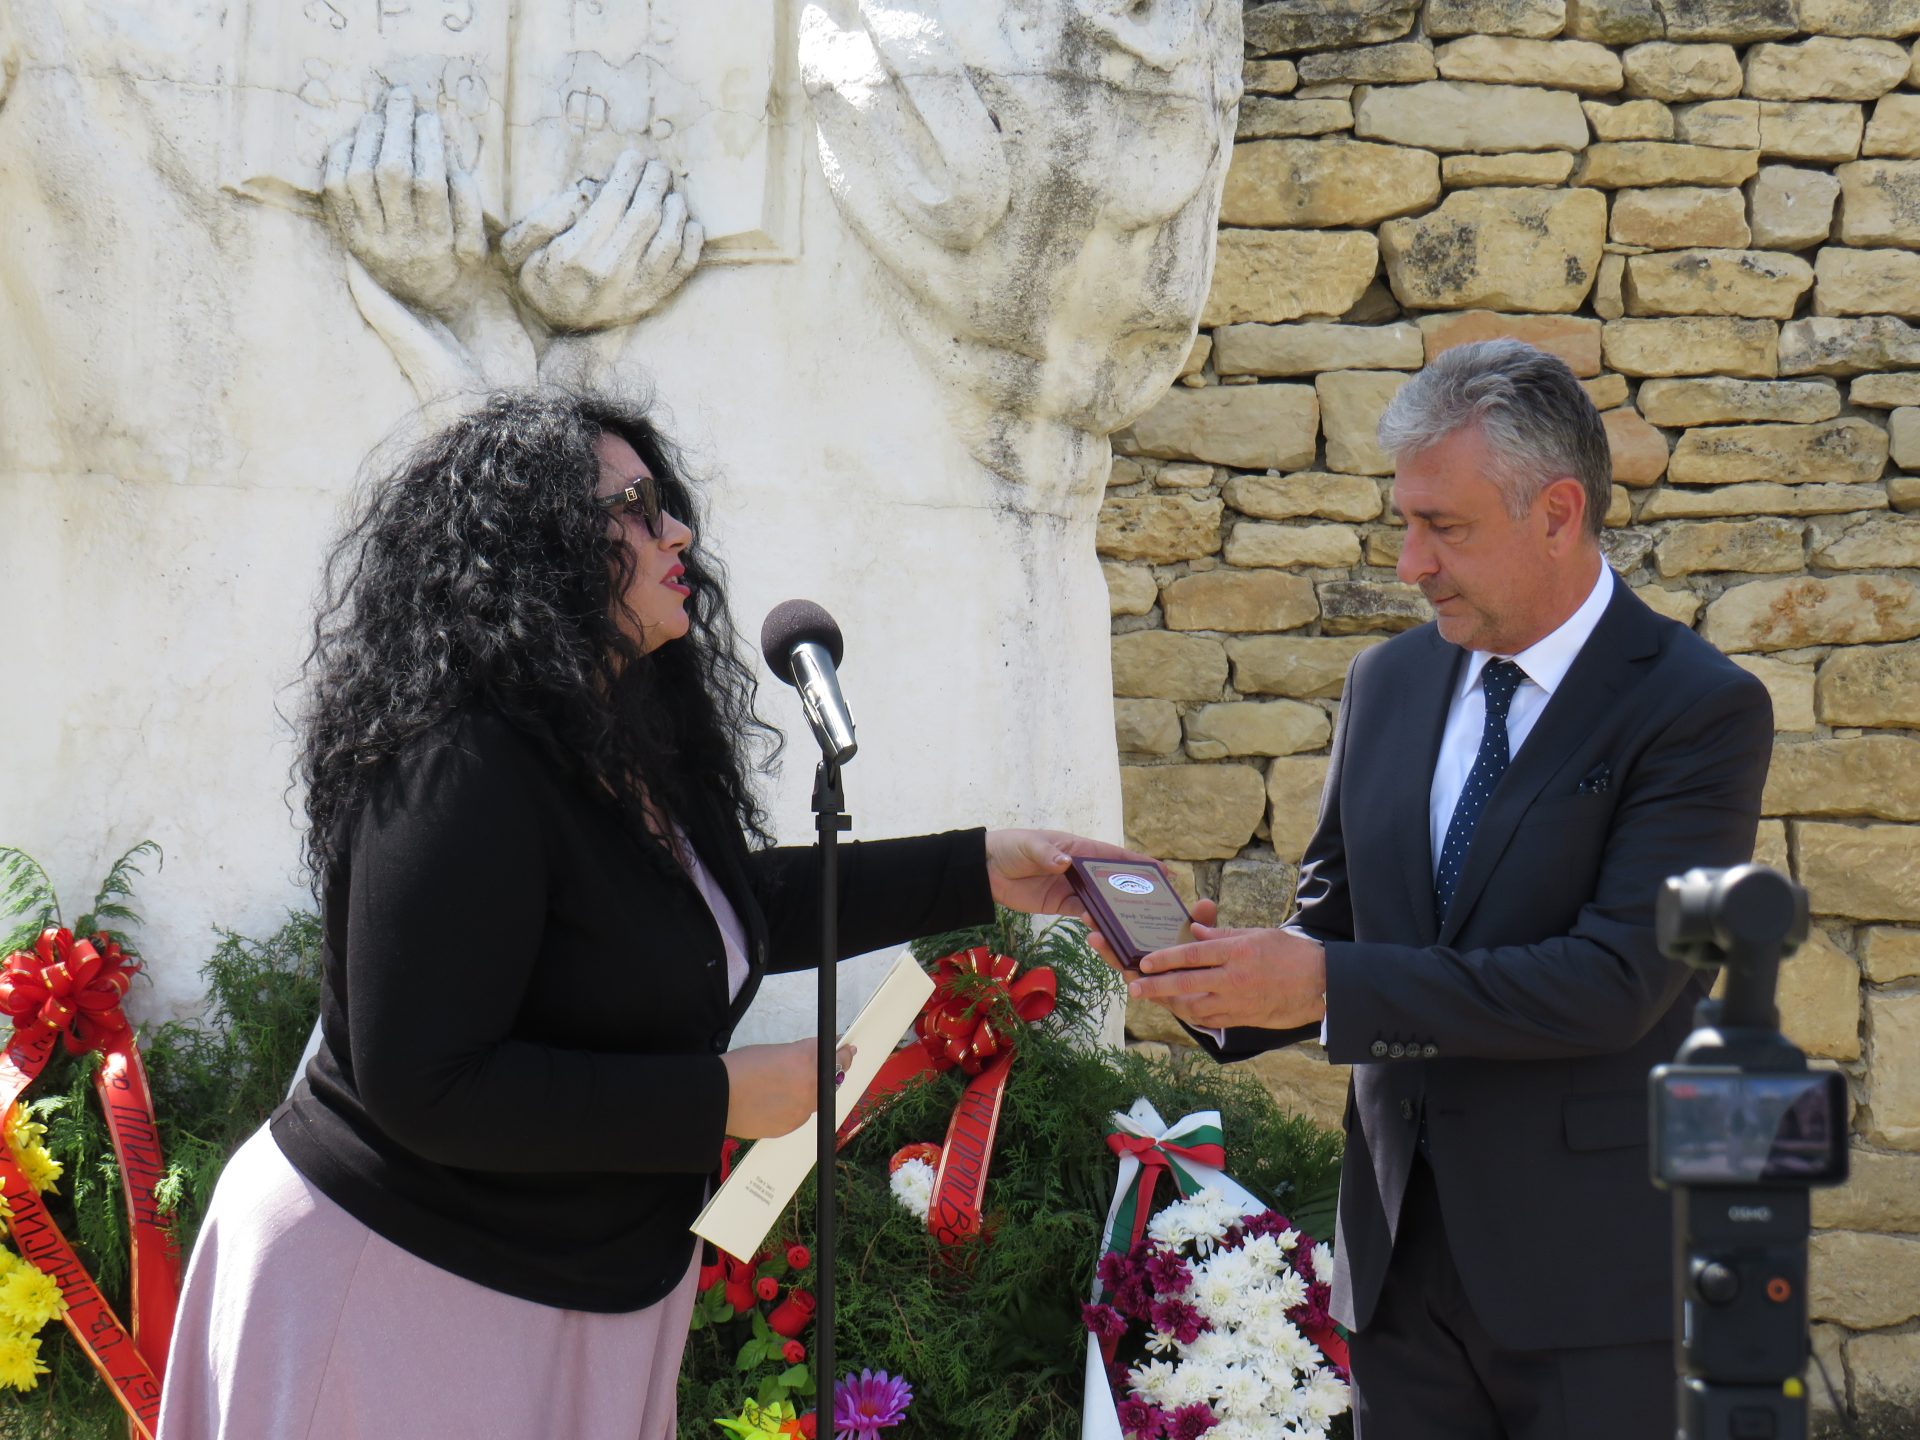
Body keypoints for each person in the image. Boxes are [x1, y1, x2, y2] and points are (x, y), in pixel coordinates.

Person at [157, 389, 1140, 1439]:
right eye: (632, 509)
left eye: (663, 502)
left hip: (568, 1293)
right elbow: (425, 1083)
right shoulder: (457, 762)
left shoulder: (617, 735)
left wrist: (982, 869)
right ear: (534, 551)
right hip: (393, 1285)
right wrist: (716, 1097)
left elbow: (718, 915)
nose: (676, 533)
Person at [1116, 340, 1773, 1439]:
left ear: (1558, 513)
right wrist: (1204, 973)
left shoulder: (1699, 708)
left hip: (1597, 1289)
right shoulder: (1388, 679)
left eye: (1445, 527)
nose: (1410, 563)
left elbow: (1615, 983)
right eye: (1405, 522)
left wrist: (1323, 982)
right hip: (1396, 1281)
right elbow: (1335, 928)